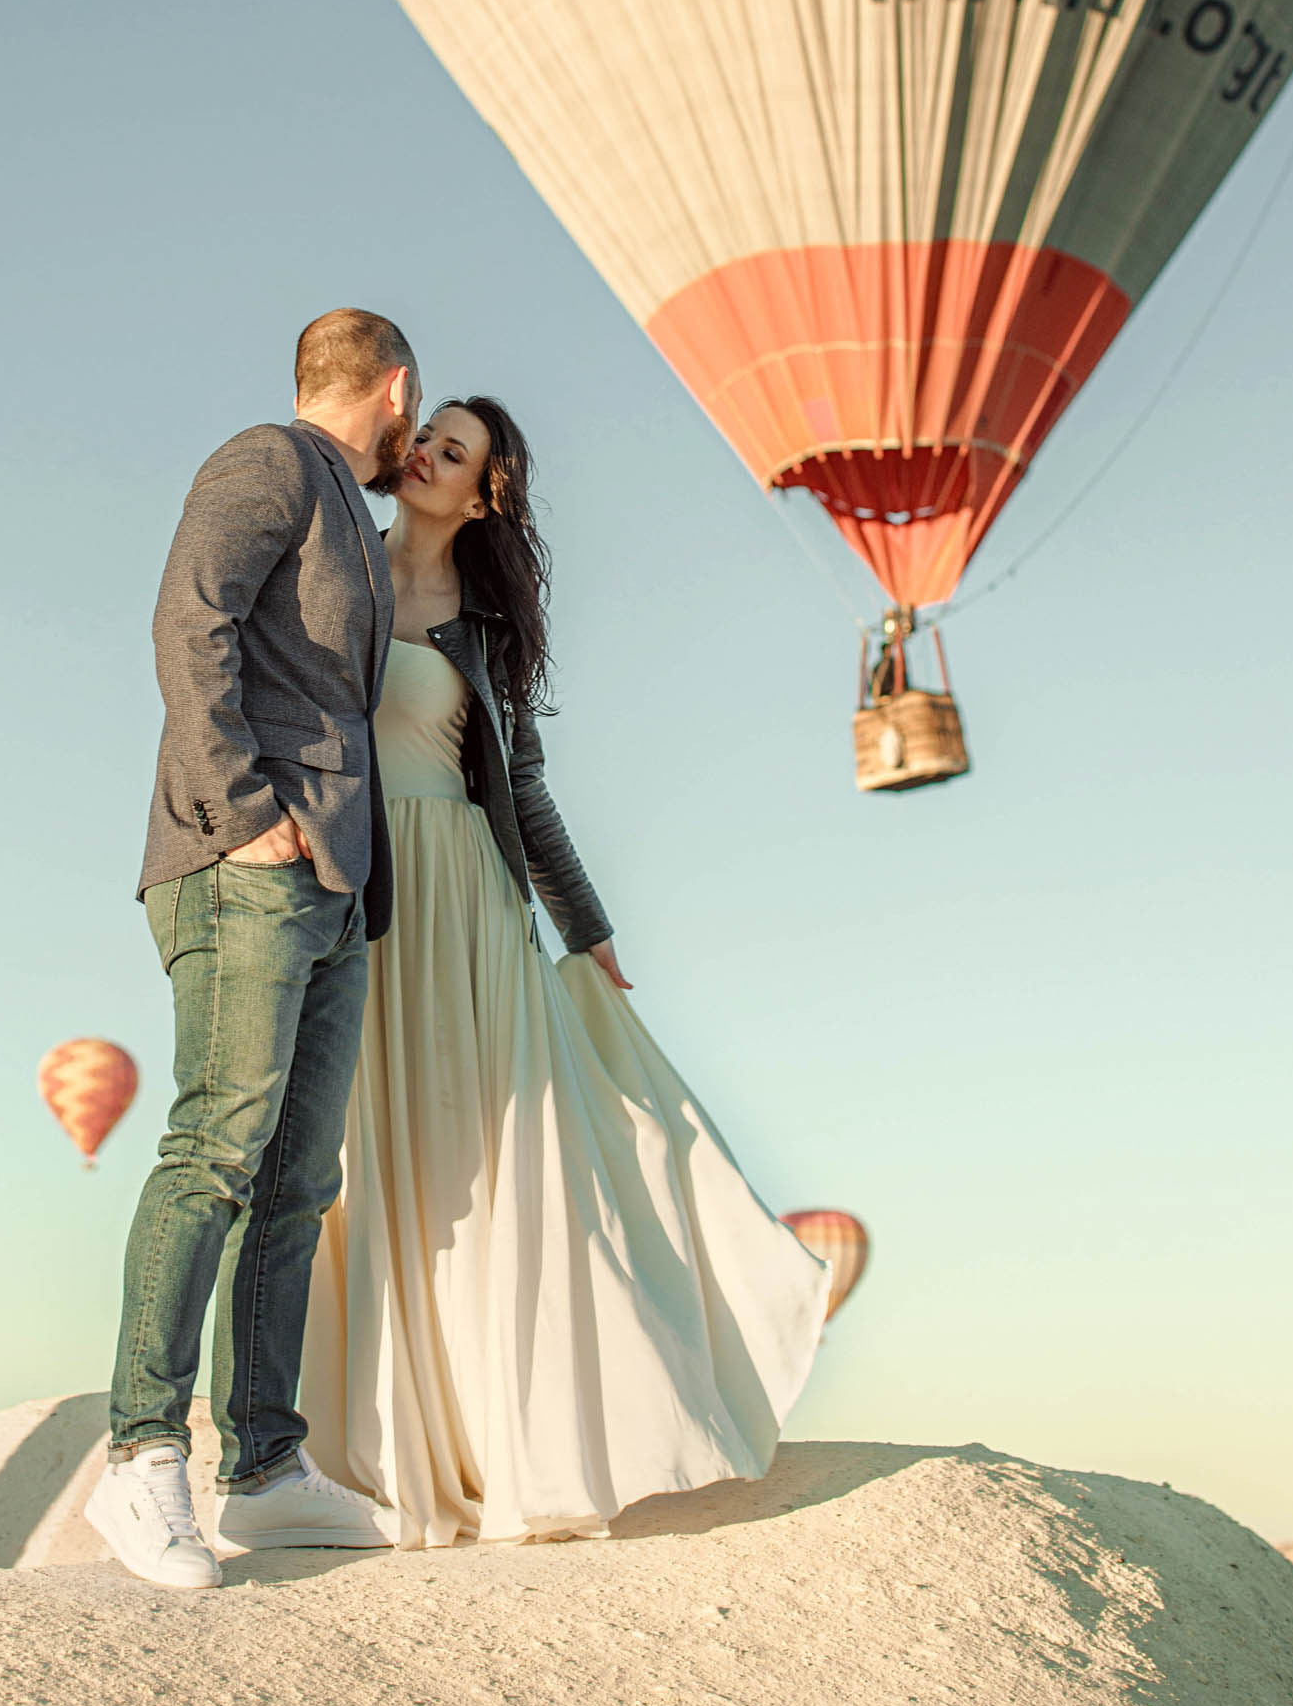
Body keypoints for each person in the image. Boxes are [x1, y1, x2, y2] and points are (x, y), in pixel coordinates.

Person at [302, 395, 830, 1547]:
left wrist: (585, 926)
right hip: (365, 900)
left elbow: (521, 789)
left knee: (494, 1168)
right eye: (424, 431)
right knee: (379, 1166)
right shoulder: (335, 563)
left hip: (472, 909)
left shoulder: (487, 626)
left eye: (456, 445)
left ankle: (510, 1444)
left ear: (485, 489)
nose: (429, 448)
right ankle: (388, 1451)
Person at [84, 308, 421, 1591]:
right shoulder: (268, 463)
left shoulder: (352, 504)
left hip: (336, 878)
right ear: (397, 387)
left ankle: (264, 1469)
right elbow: (188, 622)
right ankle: (140, 1455)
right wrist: (244, 809)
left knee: (298, 1180)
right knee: (216, 1147)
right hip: (247, 860)